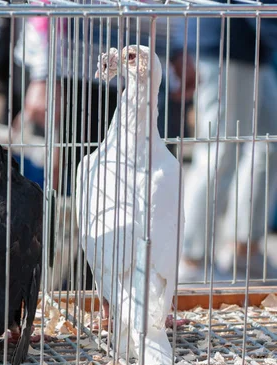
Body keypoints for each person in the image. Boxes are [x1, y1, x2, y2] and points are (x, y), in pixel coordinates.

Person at [12, 15, 188, 290]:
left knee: (152, 204)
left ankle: (141, 298)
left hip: (154, 67)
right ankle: (73, 293)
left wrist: (178, 47)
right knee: (88, 202)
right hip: (84, 72)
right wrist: (43, 73)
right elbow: (46, 11)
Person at [172, 8, 277, 282]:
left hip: (254, 43)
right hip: (223, 37)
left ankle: (244, 249)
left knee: (267, 145)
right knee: (219, 152)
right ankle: (191, 260)